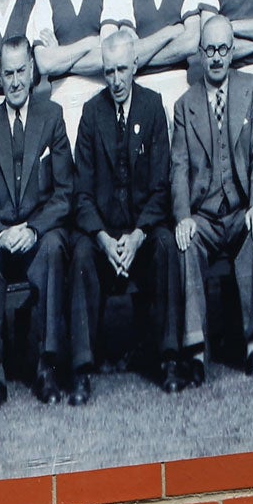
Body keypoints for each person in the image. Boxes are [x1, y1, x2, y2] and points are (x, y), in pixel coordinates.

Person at [70, 29, 178, 395]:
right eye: (108, 71)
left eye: (121, 70)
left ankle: (167, 361)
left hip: (141, 233)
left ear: (135, 65)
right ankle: (82, 368)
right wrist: (102, 238)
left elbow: (161, 187)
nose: (116, 80)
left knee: (165, 246)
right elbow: (81, 193)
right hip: (103, 234)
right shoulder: (91, 113)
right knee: (81, 252)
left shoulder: (152, 107)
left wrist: (137, 236)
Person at [0, 40, 74, 409]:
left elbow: (64, 193)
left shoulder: (53, 116)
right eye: (7, 74)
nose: (15, 82)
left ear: (32, 71)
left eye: (20, 72)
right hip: (0, 236)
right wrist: (0, 232)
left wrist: (32, 229)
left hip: (38, 232)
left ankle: (46, 367)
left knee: (53, 249)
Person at [171, 14, 253, 381]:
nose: (216, 57)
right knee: (186, 241)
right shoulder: (185, 105)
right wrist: (183, 216)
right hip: (204, 214)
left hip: (241, 208)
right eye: (209, 49)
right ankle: (197, 351)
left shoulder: (251, 90)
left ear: (232, 52)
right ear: (199, 54)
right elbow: (179, 167)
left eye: (223, 49)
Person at [127, 0, 216, 75]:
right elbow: (127, 55)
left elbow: (190, 43)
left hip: (177, 82)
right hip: (141, 84)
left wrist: (143, 58)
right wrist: (170, 32)